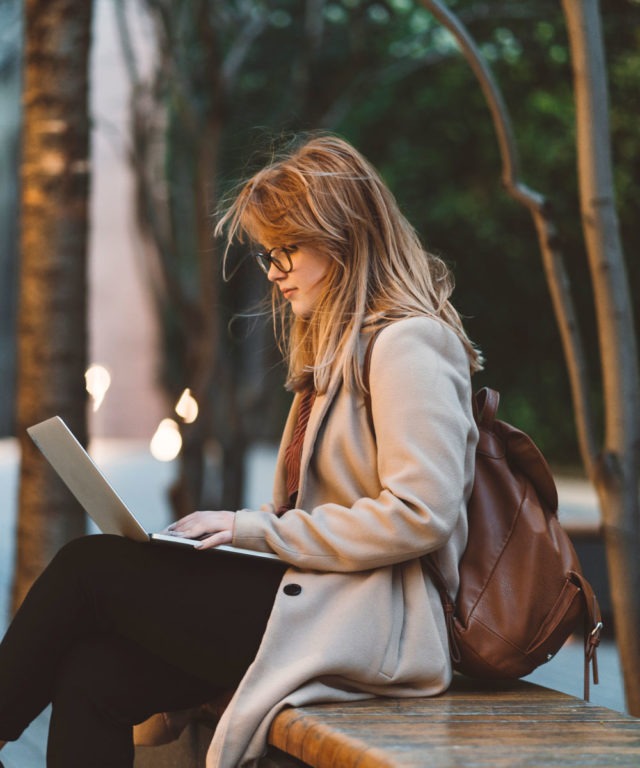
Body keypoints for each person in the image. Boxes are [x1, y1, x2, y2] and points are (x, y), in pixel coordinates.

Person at [0, 134, 482, 768]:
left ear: (346, 236)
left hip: (377, 624)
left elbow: (421, 514)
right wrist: (242, 536)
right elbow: (321, 510)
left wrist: (249, 529)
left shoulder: (410, 343)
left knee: (90, 568)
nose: (275, 269)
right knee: (96, 673)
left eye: (289, 249)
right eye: (267, 254)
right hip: (318, 599)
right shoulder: (336, 352)